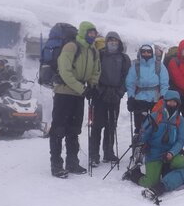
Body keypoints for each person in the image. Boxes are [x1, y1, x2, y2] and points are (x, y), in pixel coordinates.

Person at [49, 21, 101, 178]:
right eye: (90, 33)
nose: (92, 36)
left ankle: (72, 162)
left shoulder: (93, 50)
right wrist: (82, 88)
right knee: (58, 129)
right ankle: (56, 165)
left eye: (94, 33)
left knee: (74, 129)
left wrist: (92, 85)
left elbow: (96, 69)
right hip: (64, 91)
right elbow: (65, 71)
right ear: (84, 32)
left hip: (79, 94)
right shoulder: (71, 47)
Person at [122, 90, 184, 188]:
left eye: (175, 102)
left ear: (178, 104)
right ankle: (133, 174)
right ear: (165, 102)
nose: (172, 104)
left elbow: (181, 140)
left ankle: (165, 169)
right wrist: (141, 144)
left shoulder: (180, 119)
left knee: (181, 162)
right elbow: (144, 134)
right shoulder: (155, 116)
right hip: (154, 153)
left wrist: (172, 153)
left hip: (170, 152)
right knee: (150, 183)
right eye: (170, 101)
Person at [89, 32, 131, 166]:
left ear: (119, 42)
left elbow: (127, 77)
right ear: (106, 42)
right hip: (100, 95)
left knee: (111, 125)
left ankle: (108, 152)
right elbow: (94, 73)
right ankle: (94, 155)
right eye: (110, 40)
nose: (113, 42)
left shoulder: (124, 58)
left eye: (115, 40)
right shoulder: (100, 55)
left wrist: (120, 92)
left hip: (115, 95)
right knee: (97, 125)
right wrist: (99, 90)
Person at [126, 44, 169, 142]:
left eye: (148, 51)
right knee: (140, 126)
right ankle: (138, 148)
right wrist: (131, 97)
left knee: (156, 124)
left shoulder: (158, 65)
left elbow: (164, 82)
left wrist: (163, 96)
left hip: (156, 98)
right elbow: (130, 83)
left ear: (152, 52)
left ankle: (154, 147)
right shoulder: (136, 65)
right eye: (144, 51)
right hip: (140, 98)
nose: (146, 53)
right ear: (140, 52)